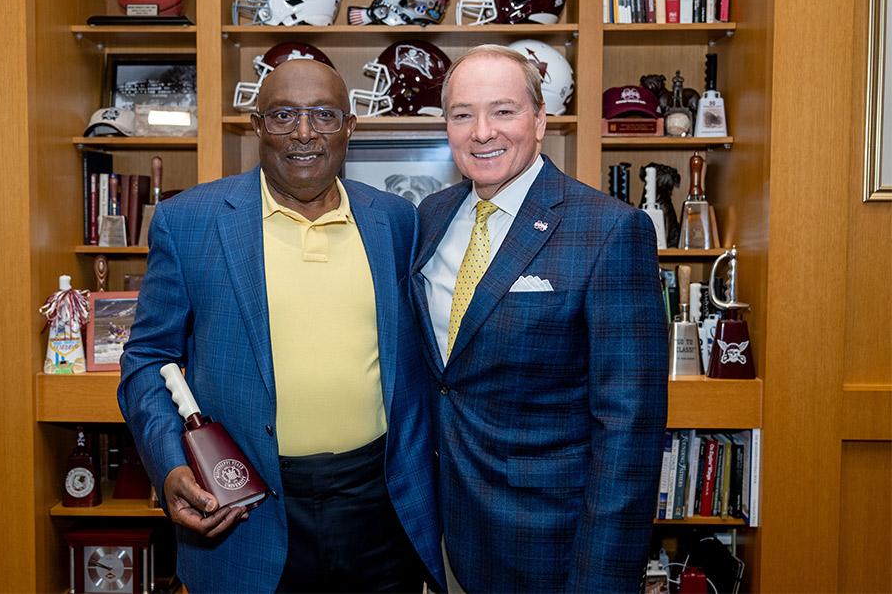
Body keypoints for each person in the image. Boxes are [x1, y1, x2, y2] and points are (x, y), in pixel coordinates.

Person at [118, 59, 445, 593]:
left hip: (380, 505)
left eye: (324, 115)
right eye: (283, 115)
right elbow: (147, 360)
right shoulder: (190, 221)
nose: (304, 133)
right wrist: (170, 463)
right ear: (257, 126)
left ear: (349, 127)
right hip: (246, 506)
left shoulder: (396, 220)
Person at [412, 44, 668, 593]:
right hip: (442, 527)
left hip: (550, 542)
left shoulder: (609, 230)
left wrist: (602, 579)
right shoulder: (431, 217)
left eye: (503, 111)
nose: (482, 132)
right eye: (462, 114)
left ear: (540, 120)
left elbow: (629, 428)